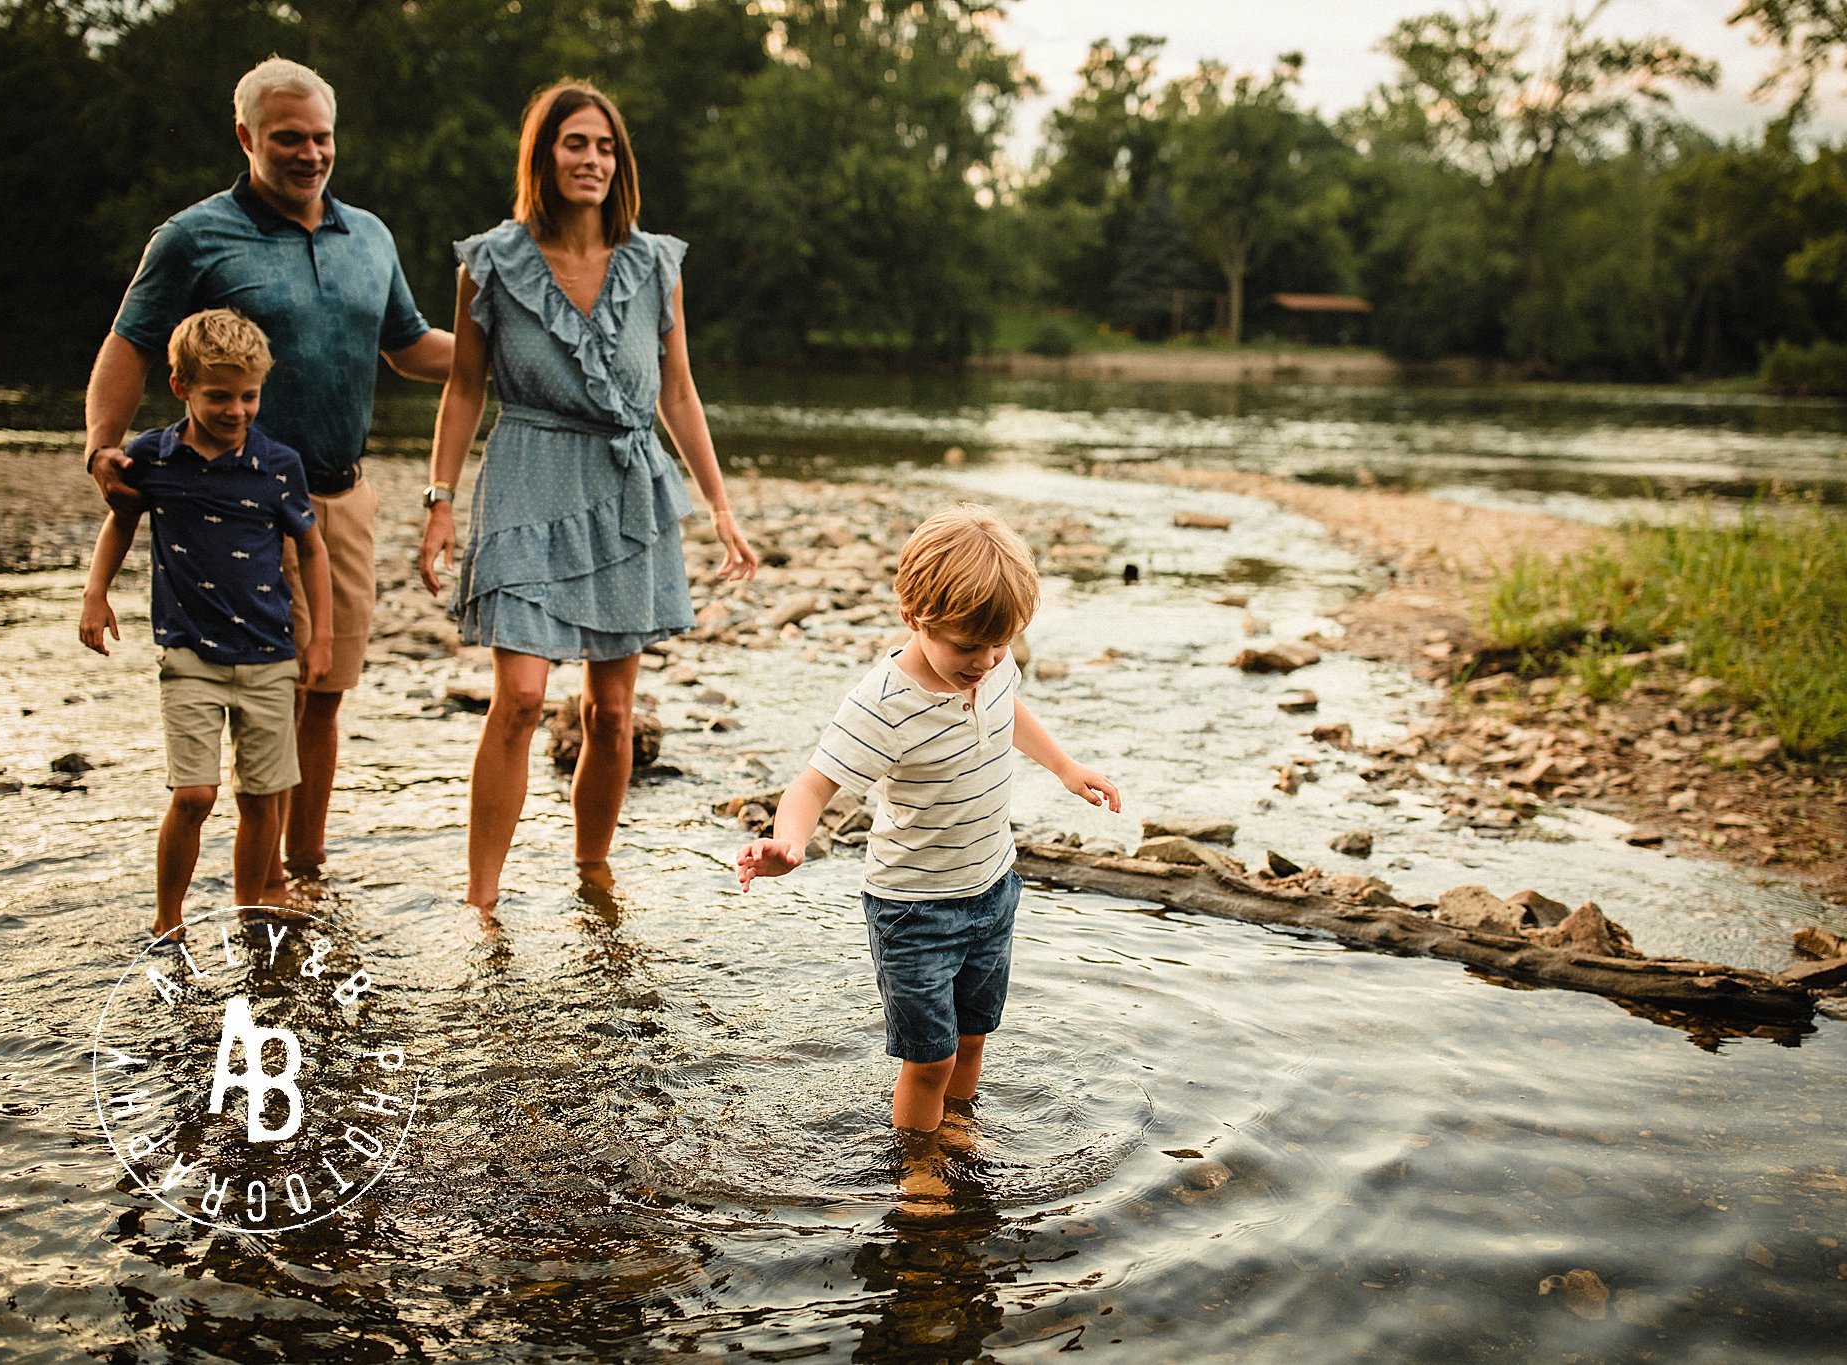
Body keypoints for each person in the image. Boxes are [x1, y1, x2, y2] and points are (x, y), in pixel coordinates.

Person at [83, 56, 453, 896]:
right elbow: (130, 343)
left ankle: (305, 868)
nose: (311, 153)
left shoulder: (372, 235)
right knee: (271, 687)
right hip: (236, 506)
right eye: (290, 137)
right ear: (246, 136)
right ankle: (261, 890)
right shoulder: (193, 237)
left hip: (342, 496)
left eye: (322, 137)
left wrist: (512, 356)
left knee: (323, 691)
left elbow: (412, 347)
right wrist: (102, 444)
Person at [418, 80, 758, 910]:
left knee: (612, 713)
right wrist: (438, 499)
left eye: (606, 147)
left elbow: (678, 392)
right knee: (523, 698)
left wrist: (718, 505)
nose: (593, 160)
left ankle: (591, 876)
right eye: (576, 143)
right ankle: (482, 903)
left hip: (626, 486)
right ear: (544, 154)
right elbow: (464, 387)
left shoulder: (655, 264)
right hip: (528, 472)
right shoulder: (490, 262)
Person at [735, 505, 1121, 1134]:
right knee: (929, 1057)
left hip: (994, 888)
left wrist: (1064, 766)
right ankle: (920, 1169)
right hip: (914, 908)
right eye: (968, 646)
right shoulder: (883, 704)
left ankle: (959, 1132)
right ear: (913, 616)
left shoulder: (993, 665)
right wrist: (788, 845)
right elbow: (811, 784)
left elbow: (1009, 708)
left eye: (1002, 642)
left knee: (972, 1038)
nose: (987, 661)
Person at [78, 310, 333, 943]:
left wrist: (320, 636)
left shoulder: (277, 465)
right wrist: (94, 592)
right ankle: (168, 918)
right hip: (189, 652)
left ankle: (250, 916)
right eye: (219, 396)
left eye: (249, 396)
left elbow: (313, 549)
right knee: (194, 794)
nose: (237, 409)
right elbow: (122, 521)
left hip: (270, 655)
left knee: (261, 796)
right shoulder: (153, 457)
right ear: (181, 387)